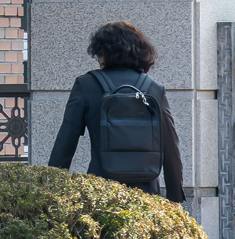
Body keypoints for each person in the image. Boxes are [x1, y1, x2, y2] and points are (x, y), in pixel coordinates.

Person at [46, 20, 185, 201]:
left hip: (100, 189)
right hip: (147, 194)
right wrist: (175, 198)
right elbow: (170, 146)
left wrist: (50, 191)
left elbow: (65, 142)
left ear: (102, 52)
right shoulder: (154, 88)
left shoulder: (86, 85)